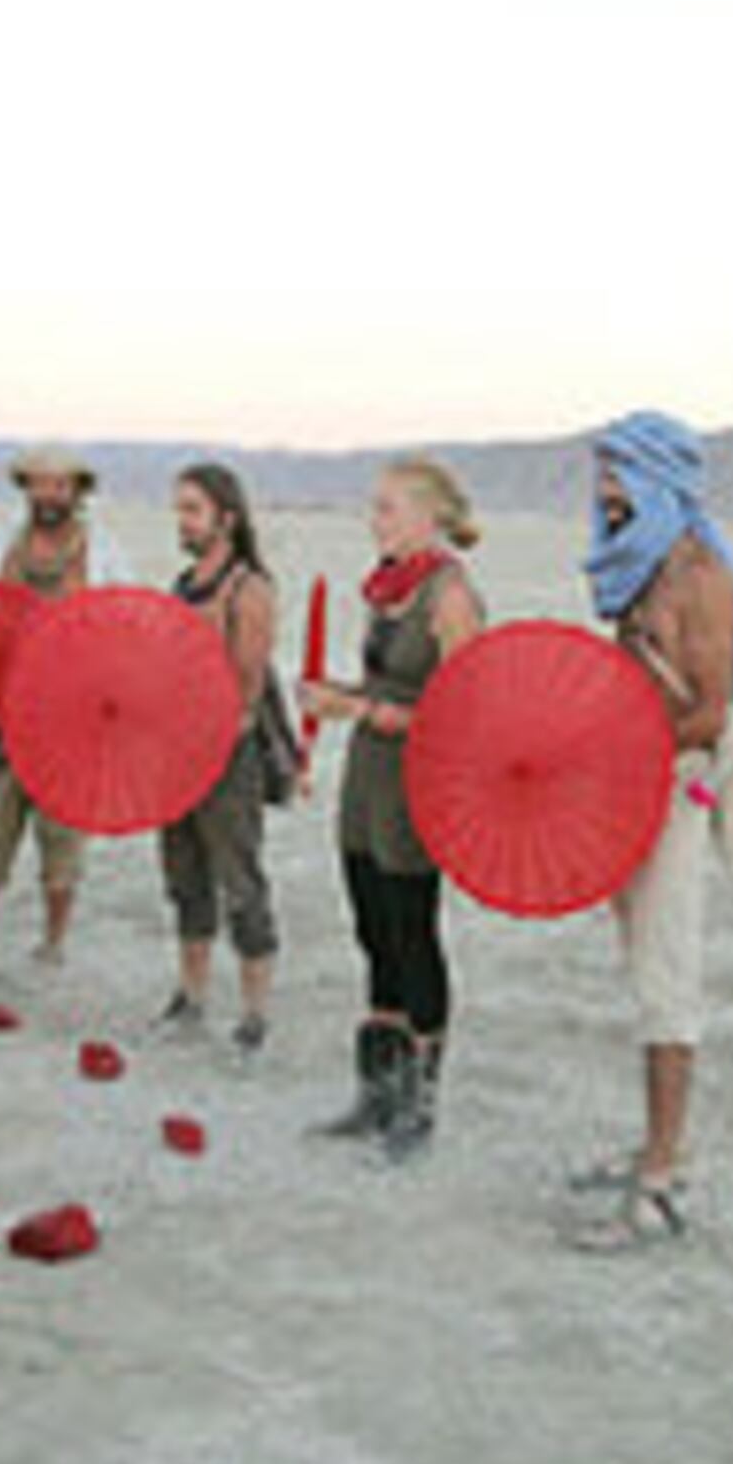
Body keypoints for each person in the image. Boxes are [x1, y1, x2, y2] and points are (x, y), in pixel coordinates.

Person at [568, 409, 733, 1250]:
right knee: (638, 956)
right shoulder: (635, 565)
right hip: (630, 776)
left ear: (657, 480)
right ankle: (658, 1141)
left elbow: (710, 712)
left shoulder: (698, 575)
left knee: (665, 972)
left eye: (616, 473)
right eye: (602, 472)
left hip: (676, 784)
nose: (603, 490)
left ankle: (660, 1182)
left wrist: (620, 744)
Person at [296, 457, 483, 1157]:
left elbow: (460, 712)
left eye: (386, 508)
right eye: (374, 507)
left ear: (427, 517)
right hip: (366, 778)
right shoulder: (385, 592)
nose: (373, 520)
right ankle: (375, 1095)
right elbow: (381, 684)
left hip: (415, 782)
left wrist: (359, 708)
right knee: (372, 928)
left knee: (412, 933)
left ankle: (420, 1108)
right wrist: (331, 694)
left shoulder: (451, 596)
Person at [0, 446, 124, 978]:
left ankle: (53, 942)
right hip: (5, 714)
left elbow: (126, 628)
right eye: (38, 485)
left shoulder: (104, 554)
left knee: (63, 838)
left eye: (59, 486)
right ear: (25, 490)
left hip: (71, 718)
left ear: (78, 492)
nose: (48, 496)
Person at [153, 462, 289, 1055]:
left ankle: (255, 1013)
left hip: (227, 757)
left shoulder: (248, 589)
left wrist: (203, 745)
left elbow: (246, 689)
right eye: (179, 509)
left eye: (192, 510)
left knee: (241, 882)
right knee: (184, 880)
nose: (181, 521)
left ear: (226, 518)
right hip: (173, 754)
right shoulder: (182, 584)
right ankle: (191, 996)